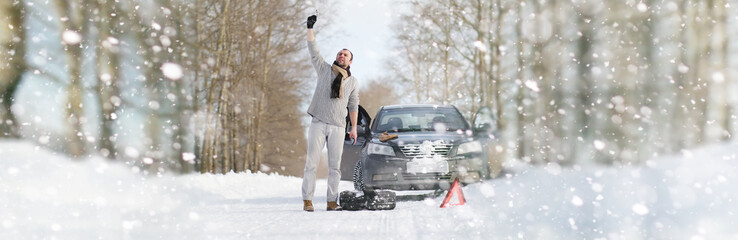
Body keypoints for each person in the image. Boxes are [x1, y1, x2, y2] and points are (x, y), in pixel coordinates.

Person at [302, 14, 359, 212]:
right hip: (318, 122)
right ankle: (307, 200)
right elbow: (313, 51)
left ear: (350, 61)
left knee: (335, 167)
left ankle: (331, 201)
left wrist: (353, 128)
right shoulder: (324, 69)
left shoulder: (352, 82)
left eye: (345, 55)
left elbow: (353, 105)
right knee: (312, 163)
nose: (341, 56)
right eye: (339, 53)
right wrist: (310, 28)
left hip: (338, 126)